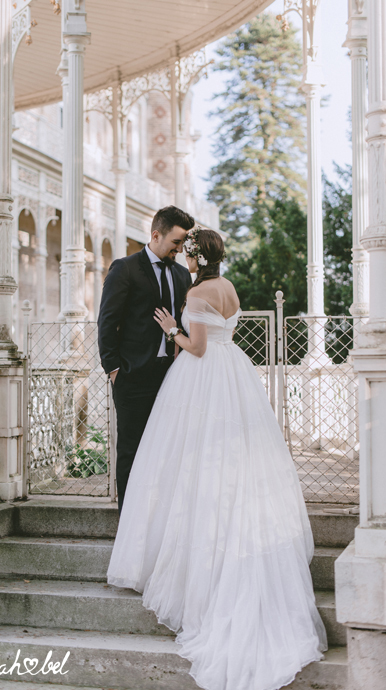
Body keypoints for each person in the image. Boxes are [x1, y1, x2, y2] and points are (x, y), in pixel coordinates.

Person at [107, 227, 328, 690]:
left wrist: (172, 330)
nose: (184, 260)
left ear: (195, 258)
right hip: (235, 374)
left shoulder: (198, 291)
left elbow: (198, 346)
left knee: (189, 460)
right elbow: (221, 337)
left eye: (188, 254)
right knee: (237, 461)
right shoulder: (227, 287)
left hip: (202, 375)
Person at [97, 205, 195, 512]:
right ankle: (128, 518)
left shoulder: (181, 274)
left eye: (183, 244)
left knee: (168, 449)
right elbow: (107, 321)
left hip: (171, 377)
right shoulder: (125, 268)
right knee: (131, 450)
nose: (180, 250)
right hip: (132, 378)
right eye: (176, 242)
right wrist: (114, 369)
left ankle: (159, 515)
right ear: (156, 235)